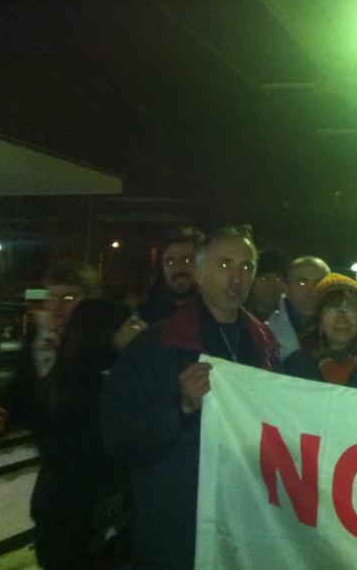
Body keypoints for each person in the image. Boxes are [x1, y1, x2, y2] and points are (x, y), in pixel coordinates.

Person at [102, 226, 278, 569]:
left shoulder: (266, 345)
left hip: (245, 523)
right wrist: (179, 408)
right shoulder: (156, 346)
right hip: (178, 530)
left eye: (247, 266)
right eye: (224, 264)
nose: (237, 277)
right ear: (199, 272)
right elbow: (118, 437)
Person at [30, 298, 132, 569]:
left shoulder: (69, 376)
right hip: (79, 525)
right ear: (105, 332)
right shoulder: (94, 387)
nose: (140, 328)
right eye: (130, 324)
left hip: (68, 520)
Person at [0, 260, 101, 438]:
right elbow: (22, 385)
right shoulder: (38, 339)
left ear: (91, 301)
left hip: (98, 459)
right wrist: (3, 415)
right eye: (52, 297)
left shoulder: (107, 339)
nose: (57, 307)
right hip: (55, 458)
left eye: (69, 298)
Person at [269, 255, 330, 360]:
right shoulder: (266, 332)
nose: (312, 291)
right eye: (302, 283)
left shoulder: (343, 330)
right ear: (286, 288)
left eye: (319, 283)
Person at [243, 247, 288, 320]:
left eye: (278, 278)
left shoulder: (292, 318)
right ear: (253, 283)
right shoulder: (241, 319)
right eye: (264, 278)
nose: (271, 285)